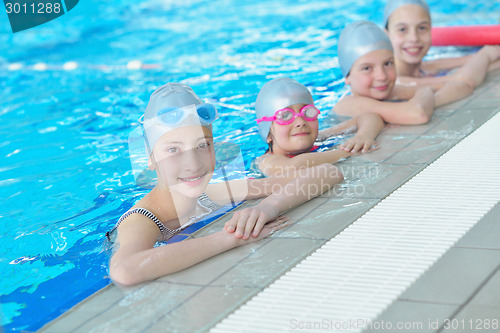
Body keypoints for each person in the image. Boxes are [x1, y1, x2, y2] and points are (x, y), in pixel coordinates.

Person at [108, 83, 343, 286]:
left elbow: (326, 172)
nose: (193, 164)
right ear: (150, 157)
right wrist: (232, 237)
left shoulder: (211, 194)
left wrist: (266, 208)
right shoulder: (141, 220)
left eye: (202, 145)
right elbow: (125, 271)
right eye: (173, 150)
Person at [333, 20, 476, 124]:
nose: (381, 76)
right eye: (367, 68)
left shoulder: (392, 92)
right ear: (347, 76)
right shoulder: (350, 104)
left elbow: (463, 86)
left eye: (388, 63)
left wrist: (426, 100)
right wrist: (426, 91)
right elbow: (418, 114)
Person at [254, 77, 384, 177]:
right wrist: (346, 152)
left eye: (307, 112)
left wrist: (363, 136)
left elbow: (369, 117)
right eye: (286, 116)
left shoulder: (319, 138)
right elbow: (293, 167)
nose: (300, 121)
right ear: (268, 134)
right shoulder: (267, 161)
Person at [383, 0, 500, 89]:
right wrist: (486, 55)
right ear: (386, 34)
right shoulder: (394, 82)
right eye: (402, 29)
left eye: (422, 28)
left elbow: (470, 59)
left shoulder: (425, 68)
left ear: (430, 29)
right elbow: (462, 81)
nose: (414, 38)